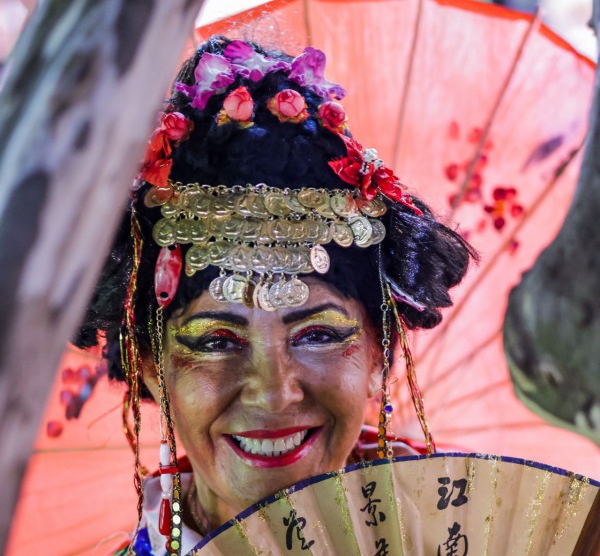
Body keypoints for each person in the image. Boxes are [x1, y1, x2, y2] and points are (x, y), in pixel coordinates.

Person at [76, 36, 476, 555]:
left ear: (381, 351)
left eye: (318, 335)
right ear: (150, 364)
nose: (274, 392)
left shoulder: (468, 534)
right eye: (217, 341)